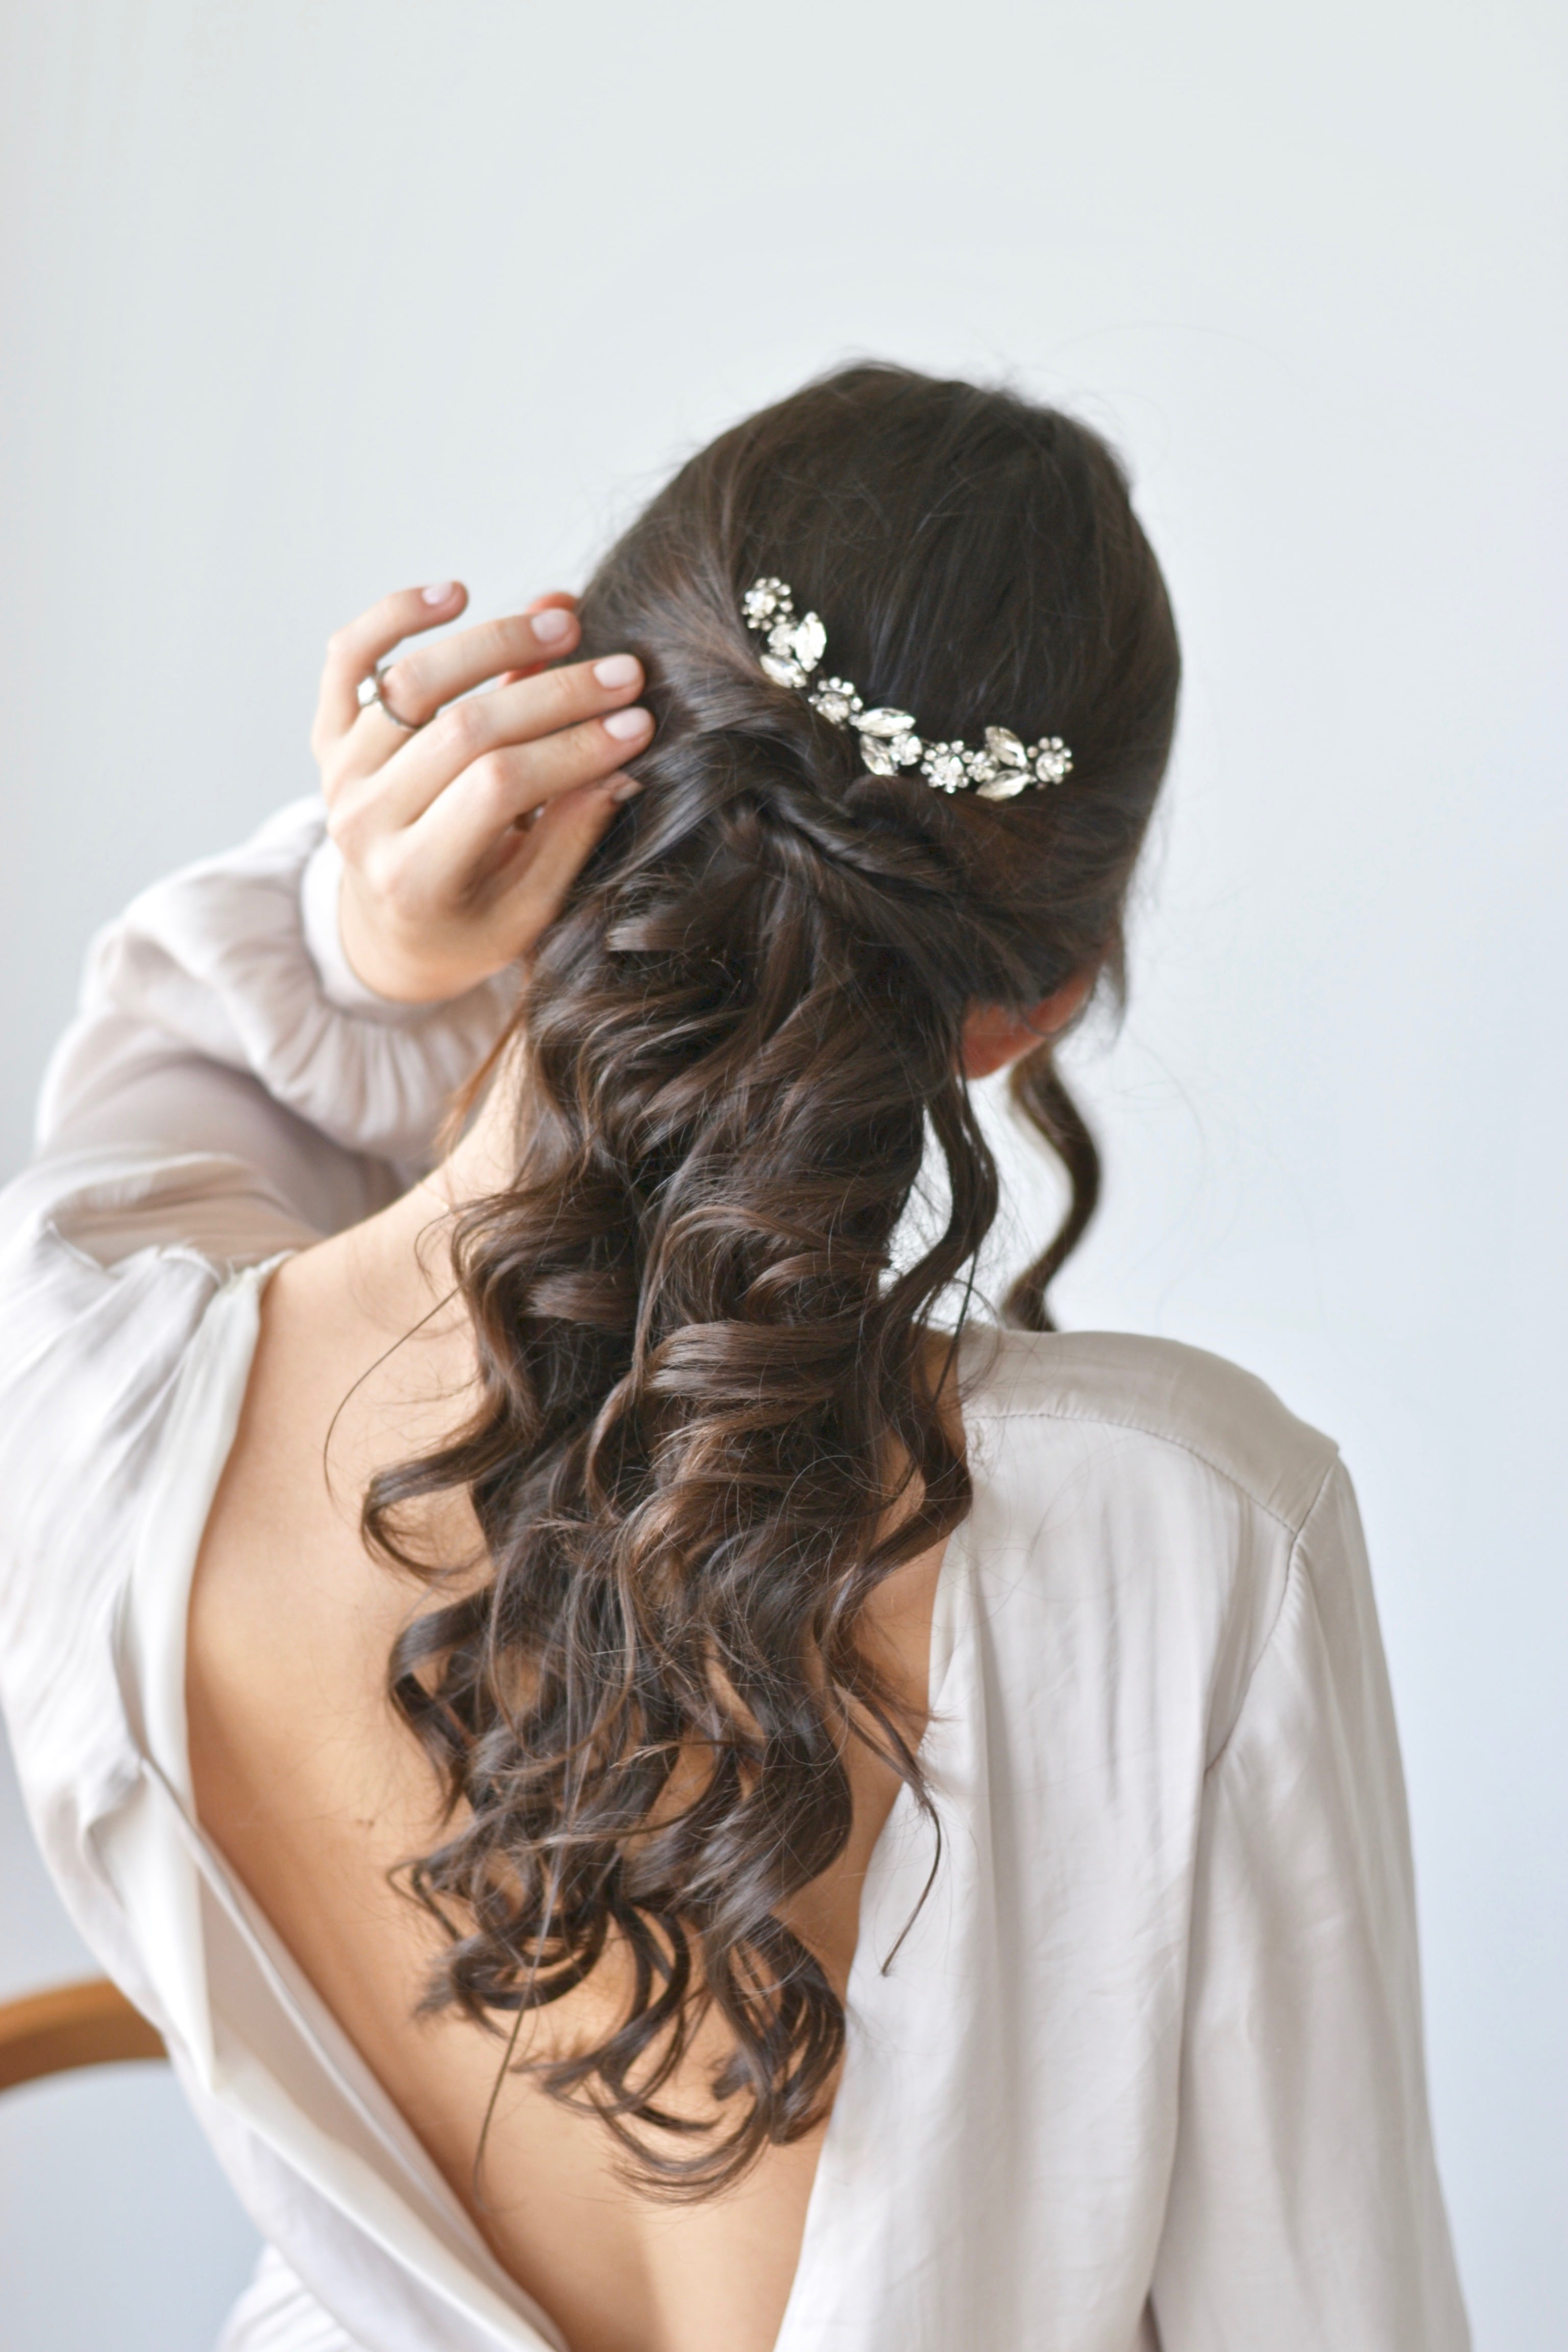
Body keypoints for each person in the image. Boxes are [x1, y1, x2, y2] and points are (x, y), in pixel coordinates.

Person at [0, 364, 1468, 2352]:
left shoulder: (91, 1398)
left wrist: (359, 934)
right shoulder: (1193, 1538)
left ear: (552, 791)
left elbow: (172, 1081)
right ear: (1028, 1007)